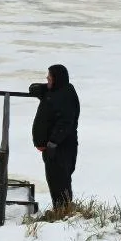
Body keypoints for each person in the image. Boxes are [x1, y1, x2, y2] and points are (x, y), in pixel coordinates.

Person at [30, 64, 80, 213]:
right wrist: (41, 88)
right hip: (54, 148)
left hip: (61, 148)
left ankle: (63, 212)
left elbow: (66, 122)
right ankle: (60, 210)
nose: (47, 79)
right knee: (54, 180)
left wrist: (52, 143)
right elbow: (38, 89)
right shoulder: (56, 90)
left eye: (49, 77)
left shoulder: (65, 95)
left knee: (60, 181)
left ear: (57, 79)